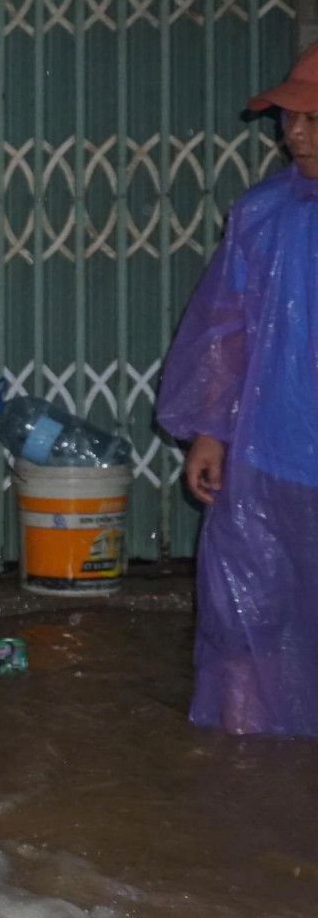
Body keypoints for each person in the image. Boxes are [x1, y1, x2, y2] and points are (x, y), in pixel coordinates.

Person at [156, 42, 318, 739]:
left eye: (310, 118)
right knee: (244, 614)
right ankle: (248, 776)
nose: (294, 134)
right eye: (288, 118)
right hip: (266, 457)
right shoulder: (261, 215)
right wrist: (209, 432)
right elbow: (225, 330)